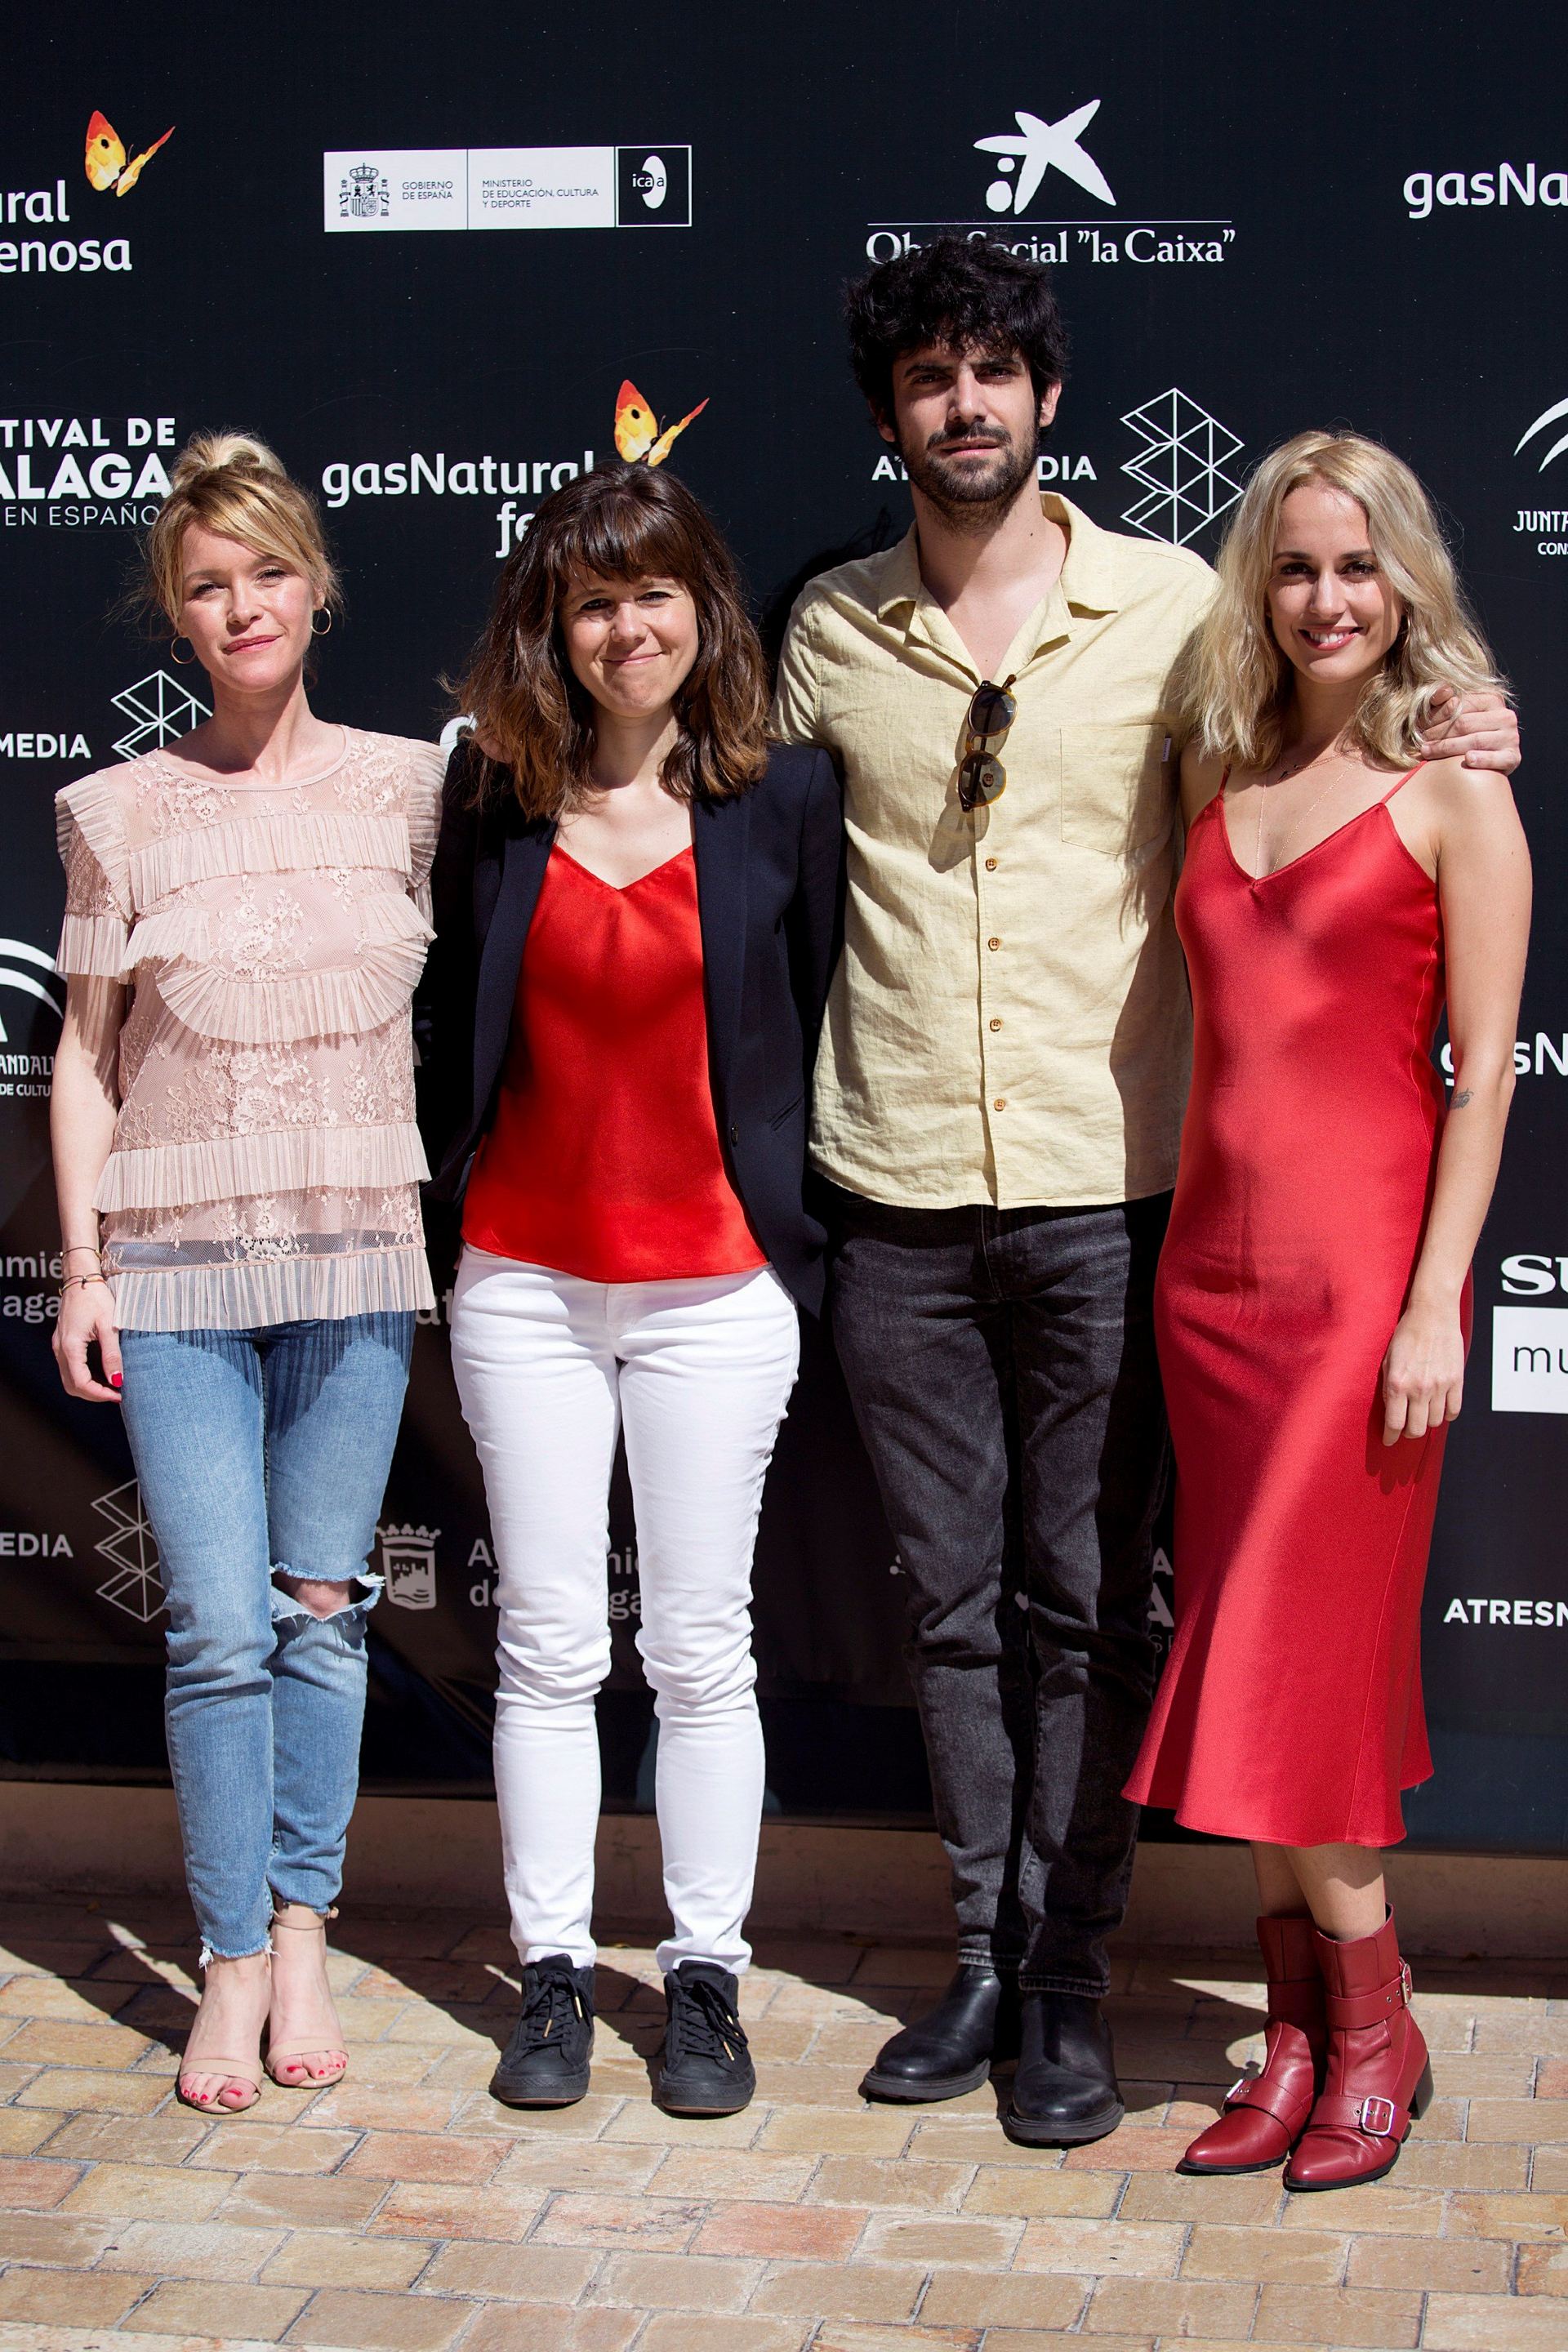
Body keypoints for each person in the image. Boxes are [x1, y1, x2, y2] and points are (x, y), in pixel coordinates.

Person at [771, 234, 1521, 2146]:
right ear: (890, 418)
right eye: (928, 378)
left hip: (1122, 1193)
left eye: (993, 371)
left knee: (1107, 1611)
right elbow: (721, 827)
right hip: (905, 1182)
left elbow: (1348, 753)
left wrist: (1467, 725)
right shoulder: (828, 629)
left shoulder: (1180, 608)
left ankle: (1078, 1987)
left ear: (1047, 395)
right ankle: (994, 1964)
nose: (965, 405)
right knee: (956, 1611)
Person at [1124, 433, 1529, 2190]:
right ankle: (1297, 2039)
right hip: (1209, 1290)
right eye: (1296, 566)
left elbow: (1485, 1075)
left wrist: (1435, 1304)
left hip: (1364, 1293)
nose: (1327, 598)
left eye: (1359, 566)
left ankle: (1377, 2031)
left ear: (1407, 581)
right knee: (1262, 1672)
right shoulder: (1218, 762)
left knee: (1300, 1681)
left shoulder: (1456, 793)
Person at [416, 462, 841, 2118]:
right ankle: (551, 1976)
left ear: (702, 609)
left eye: (653, 592)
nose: (626, 628)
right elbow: (449, 1019)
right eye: (593, 600)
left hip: (715, 1293)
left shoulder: (782, 798)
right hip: (523, 1282)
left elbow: (811, 1012)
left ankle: (706, 1982)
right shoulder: (490, 799)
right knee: (542, 1647)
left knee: (699, 1648)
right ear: (555, 627)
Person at [50, 433, 443, 2114]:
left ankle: (301, 1935)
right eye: (209, 585)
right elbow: (84, 1057)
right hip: (176, 1275)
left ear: (317, 585)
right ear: (178, 614)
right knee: (219, 1631)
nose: (244, 605)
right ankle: (225, 1959)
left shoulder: (413, 791)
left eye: (269, 571)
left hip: (355, 1258)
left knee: (319, 1619)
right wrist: (83, 1267)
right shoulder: (117, 811)